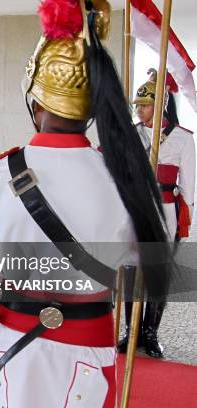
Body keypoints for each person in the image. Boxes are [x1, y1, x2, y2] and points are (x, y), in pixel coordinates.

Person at [0, 0, 172, 406]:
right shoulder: (126, 180)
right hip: (93, 355)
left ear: (34, 100)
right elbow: (145, 268)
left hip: (12, 355)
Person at [117, 69, 196, 358]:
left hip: (165, 210)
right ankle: (131, 330)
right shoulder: (132, 134)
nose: (139, 110)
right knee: (131, 270)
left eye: (144, 105)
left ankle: (151, 332)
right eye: (137, 105)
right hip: (136, 208)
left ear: (160, 104)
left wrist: (181, 221)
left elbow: (187, 187)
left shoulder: (183, 140)